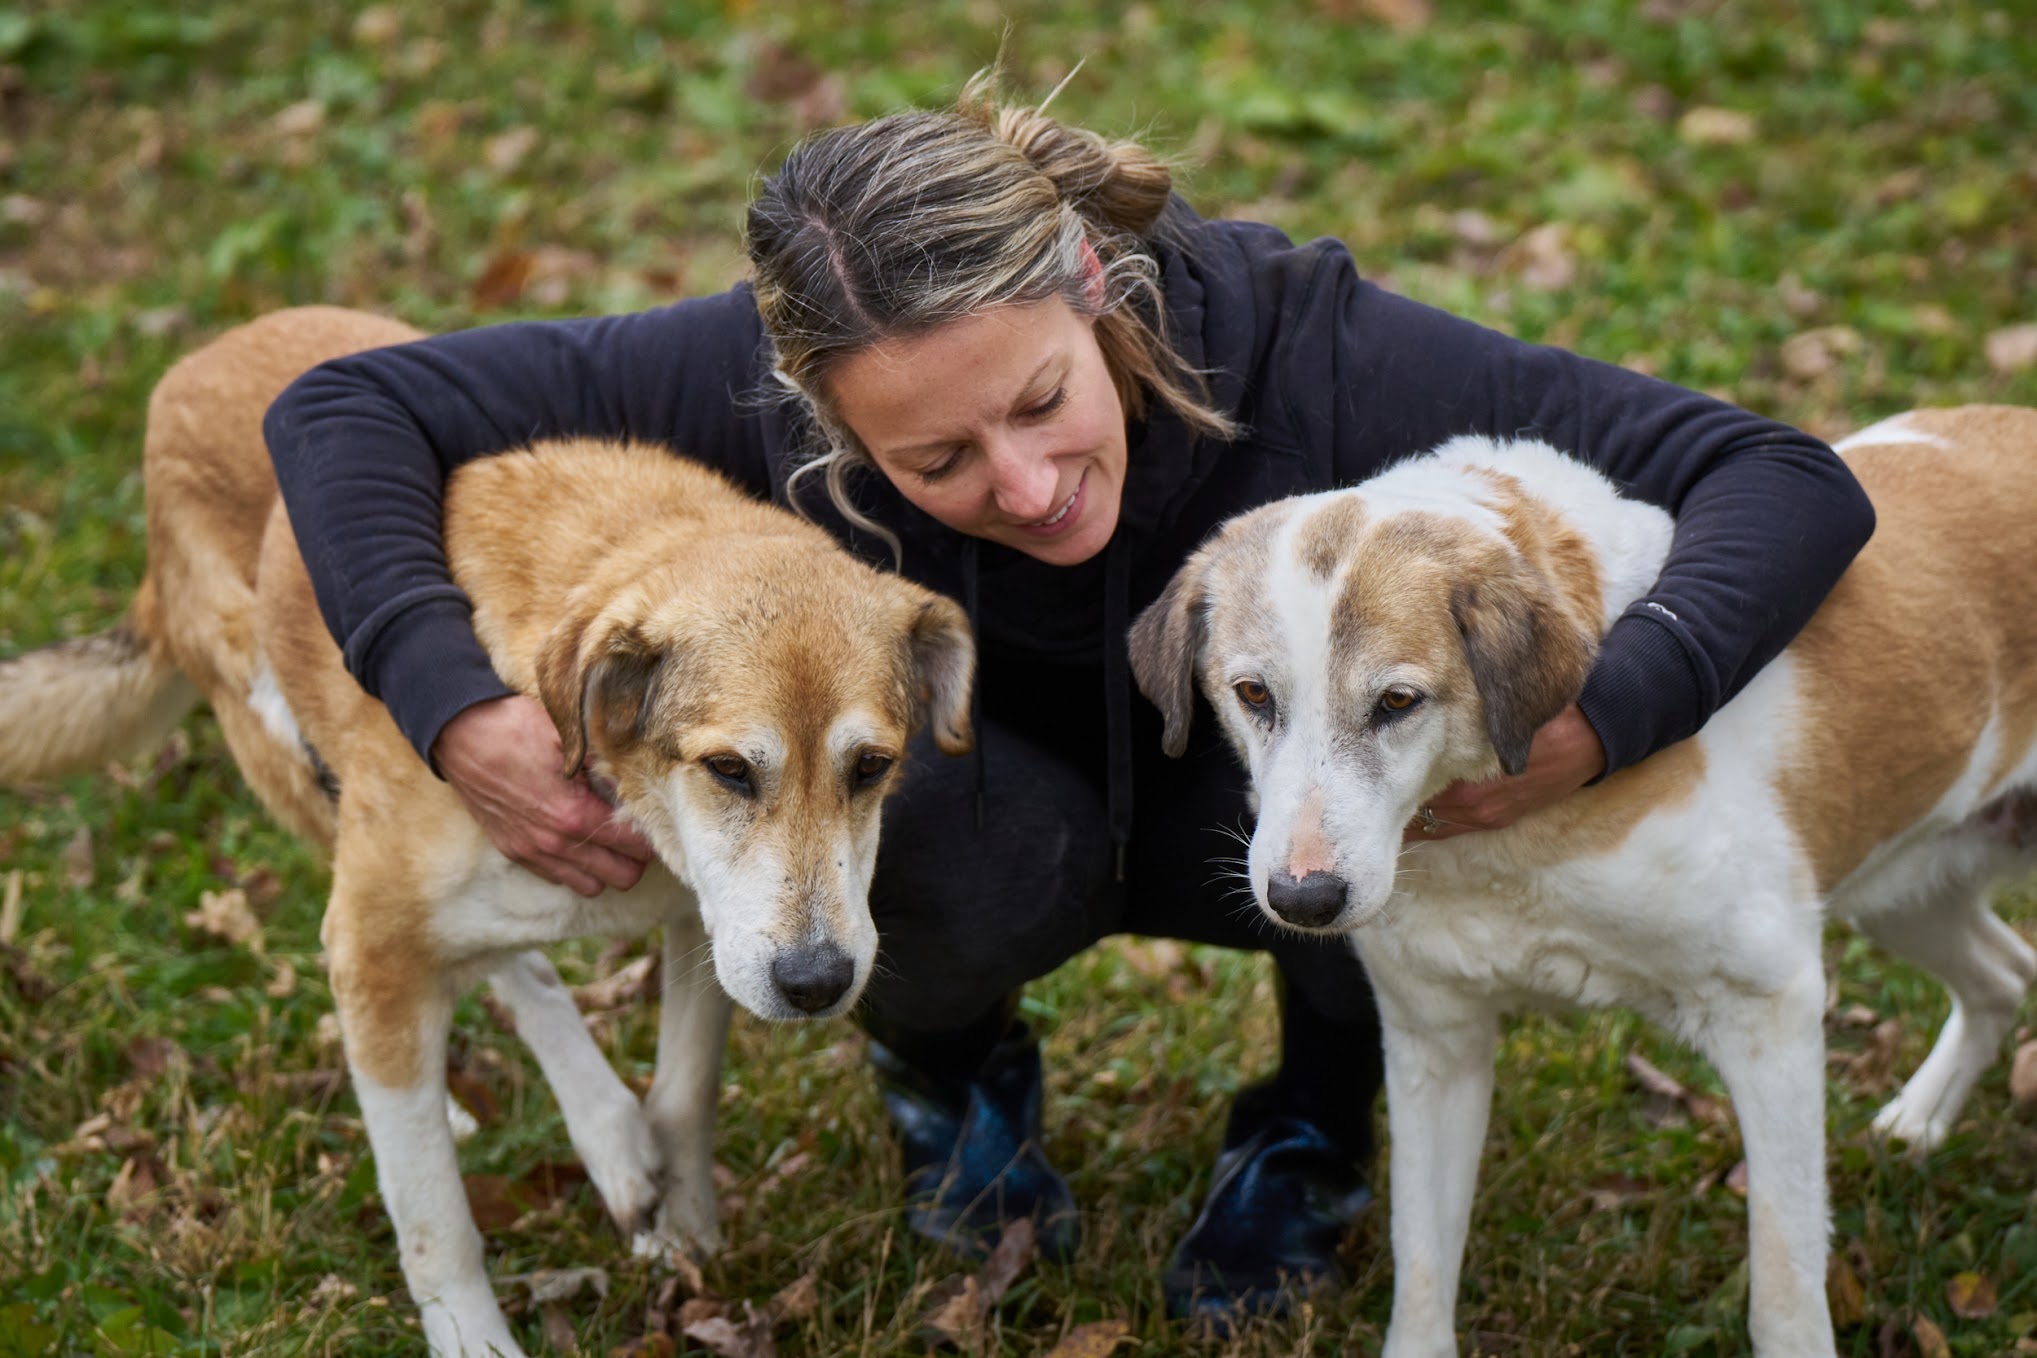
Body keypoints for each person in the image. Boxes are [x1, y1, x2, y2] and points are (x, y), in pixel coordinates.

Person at [262, 74, 1874, 1323]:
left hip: (1271, 812)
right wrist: (450, 702)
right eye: (937, 458)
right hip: (974, 811)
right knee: (911, 843)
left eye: (1042, 400)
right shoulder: (746, 374)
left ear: (1093, 283)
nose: (1028, 485)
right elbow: (346, 407)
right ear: (820, 406)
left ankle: (1309, 1126)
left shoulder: (1298, 338)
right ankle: (953, 1087)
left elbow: (1776, 476)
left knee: (1360, 786)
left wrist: (1613, 712)